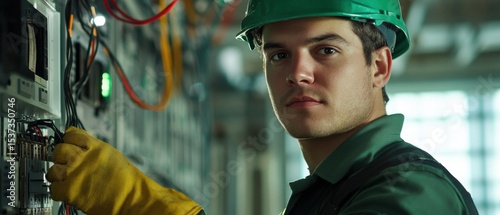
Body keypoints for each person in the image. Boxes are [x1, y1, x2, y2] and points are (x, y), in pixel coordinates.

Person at [46, 0, 479, 214]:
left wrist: (140, 204)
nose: (298, 73)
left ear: (379, 66)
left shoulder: (410, 193)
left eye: (326, 50)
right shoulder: (335, 188)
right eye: (278, 55)